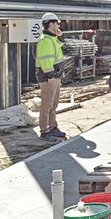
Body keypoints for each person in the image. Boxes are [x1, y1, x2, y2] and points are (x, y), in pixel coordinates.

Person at [35, 13, 66, 142]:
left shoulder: (51, 38)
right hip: (49, 77)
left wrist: (60, 36)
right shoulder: (45, 40)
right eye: (57, 23)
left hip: (54, 76)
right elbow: (45, 60)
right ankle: (44, 131)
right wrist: (50, 75)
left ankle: (53, 127)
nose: (59, 25)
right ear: (51, 24)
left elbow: (59, 47)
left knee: (54, 104)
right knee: (47, 104)